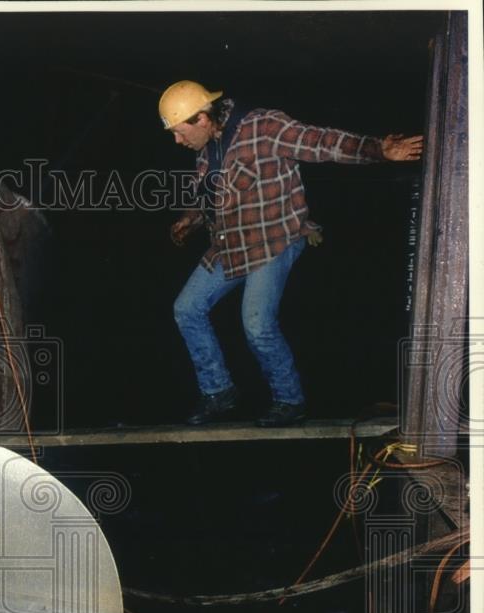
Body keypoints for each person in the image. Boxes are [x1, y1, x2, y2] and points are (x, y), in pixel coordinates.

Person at [160, 80, 423, 427]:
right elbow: (213, 194)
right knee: (187, 308)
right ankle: (218, 391)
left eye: (180, 133)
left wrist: (377, 149)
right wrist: (190, 219)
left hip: (276, 237)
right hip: (232, 243)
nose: (178, 141)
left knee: (256, 323)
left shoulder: (265, 126)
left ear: (203, 118)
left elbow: (322, 142)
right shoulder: (208, 145)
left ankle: (289, 399)